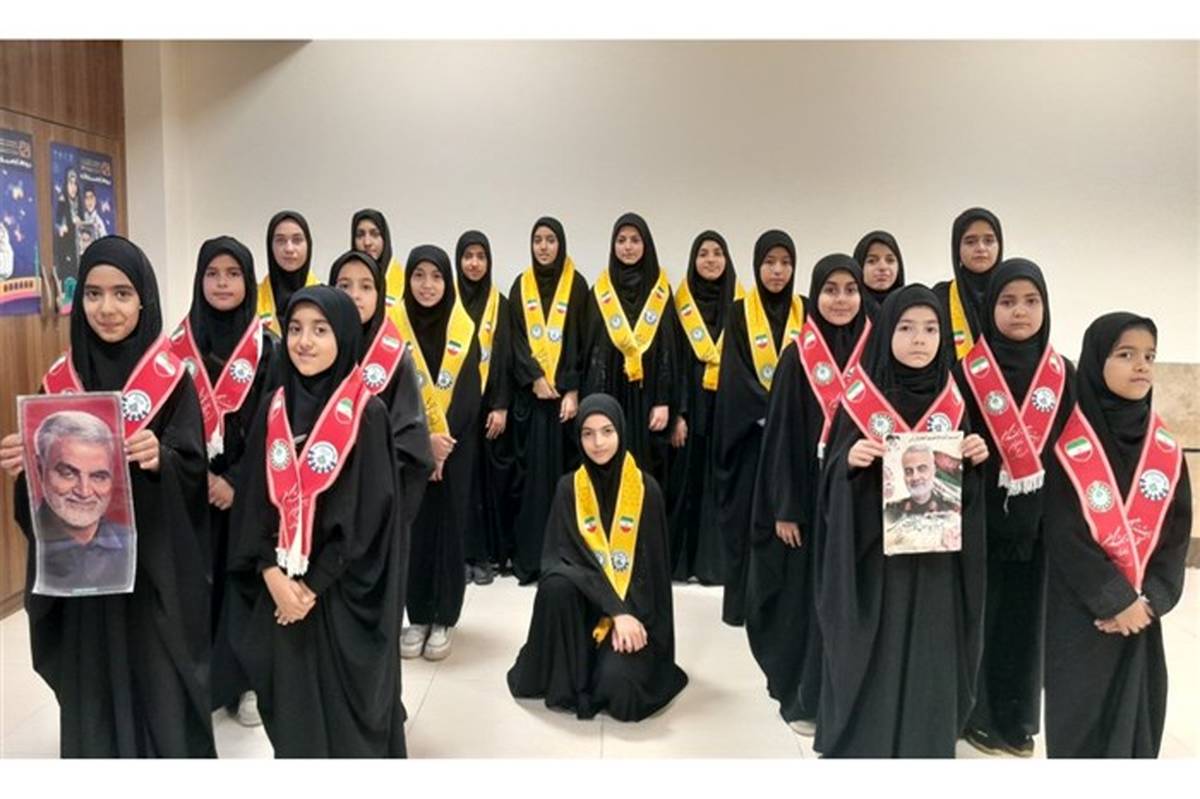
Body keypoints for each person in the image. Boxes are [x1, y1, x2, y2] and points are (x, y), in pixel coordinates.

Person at [1, 235, 215, 757]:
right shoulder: (60, 381)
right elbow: (42, 506)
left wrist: (163, 458)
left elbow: (194, 473)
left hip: (152, 576)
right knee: (92, 690)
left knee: (160, 687)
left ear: (144, 300)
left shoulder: (172, 381)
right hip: (85, 583)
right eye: (93, 294)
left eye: (122, 294)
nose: (107, 308)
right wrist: (27, 468)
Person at [224, 286, 407, 758]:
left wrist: (307, 589)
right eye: (295, 329)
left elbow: (368, 521)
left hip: (340, 595)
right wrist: (271, 573)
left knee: (346, 729)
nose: (304, 342)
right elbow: (252, 505)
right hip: (280, 592)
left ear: (343, 337)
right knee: (295, 721)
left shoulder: (368, 414)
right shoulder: (273, 408)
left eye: (320, 330)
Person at [814, 285, 989, 758]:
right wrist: (848, 464)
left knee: (931, 650)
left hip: (935, 567)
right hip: (877, 563)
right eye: (907, 328)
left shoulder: (953, 402)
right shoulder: (860, 399)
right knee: (879, 649)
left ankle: (923, 741)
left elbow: (965, 497)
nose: (919, 340)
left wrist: (975, 462)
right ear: (887, 332)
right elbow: (829, 488)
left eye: (931, 329)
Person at [1043, 312, 1191, 758]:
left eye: (1149, 356)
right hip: (1081, 616)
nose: (1141, 365)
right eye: (1125, 354)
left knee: (1137, 726)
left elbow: (1175, 537)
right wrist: (1114, 600)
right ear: (1095, 361)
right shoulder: (1067, 446)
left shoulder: (1164, 450)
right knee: (1081, 725)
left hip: (1143, 616)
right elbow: (1065, 534)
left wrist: (1149, 602)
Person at [954, 258, 1075, 757]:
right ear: (990, 308)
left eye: (1030, 301)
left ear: (1045, 307)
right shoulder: (965, 372)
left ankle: (1019, 717)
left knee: (1027, 623)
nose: (1019, 311)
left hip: (1041, 526)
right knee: (980, 618)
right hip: (979, 521)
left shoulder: (1063, 374)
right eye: (1007, 301)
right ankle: (977, 715)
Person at [507, 393, 688, 721]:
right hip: (583, 613)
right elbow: (557, 561)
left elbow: (653, 577)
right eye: (587, 434)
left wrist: (627, 615)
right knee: (555, 586)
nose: (598, 443)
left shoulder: (646, 491)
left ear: (621, 432)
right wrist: (612, 609)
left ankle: (606, 663)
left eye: (607, 431)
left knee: (622, 692)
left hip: (635, 610)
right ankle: (571, 664)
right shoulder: (568, 489)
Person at [749, 253, 870, 734]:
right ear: (814, 294)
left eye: (850, 290)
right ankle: (806, 697)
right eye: (830, 290)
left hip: (859, 502)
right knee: (809, 601)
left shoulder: (877, 353)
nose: (841, 300)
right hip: (808, 502)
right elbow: (779, 438)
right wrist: (785, 508)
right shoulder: (797, 356)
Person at [168, 235, 281, 726]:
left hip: (247, 492)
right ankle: (200, 681)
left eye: (233, 274)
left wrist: (236, 480)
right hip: (189, 490)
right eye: (212, 274)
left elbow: (275, 426)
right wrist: (197, 474)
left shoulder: (269, 349)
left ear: (248, 281)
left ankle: (249, 682)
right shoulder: (174, 349)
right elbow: (164, 421)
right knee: (195, 587)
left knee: (245, 583)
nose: (222, 283)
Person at [712, 229, 804, 626]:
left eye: (785, 263)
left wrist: (787, 416)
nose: (777, 271)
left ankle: (782, 609)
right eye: (769, 263)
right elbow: (734, 373)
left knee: (787, 521)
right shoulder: (738, 313)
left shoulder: (805, 310)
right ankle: (743, 606)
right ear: (756, 265)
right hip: (750, 436)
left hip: (791, 439)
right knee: (747, 522)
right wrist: (770, 411)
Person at [396, 245, 482, 661]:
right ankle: (417, 616)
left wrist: (443, 447)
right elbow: (393, 392)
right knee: (415, 529)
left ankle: (444, 616)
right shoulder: (395, 329)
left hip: (455, 449)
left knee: (449, 529)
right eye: (419, 275)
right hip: (411, 449)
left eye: (436, 276)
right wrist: (423, 444)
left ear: (448, 283)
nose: (427, 285)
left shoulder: (464, 328)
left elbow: (469, 394)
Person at [507, 217, 588, 584]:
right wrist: (535, 377)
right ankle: (531, 560)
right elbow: (514, 341)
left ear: (561, 244)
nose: (543, 247)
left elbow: (582, 340)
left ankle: (564, 558)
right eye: (537, 240)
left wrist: (572, 389)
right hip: (531, 400)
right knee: (531, 484)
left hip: (565, 408)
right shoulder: (520, 286)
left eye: (550, 240)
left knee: (564, 483)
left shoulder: (578, 286)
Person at [328, 248, 434, 530]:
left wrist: (366, 478)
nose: (355, 295)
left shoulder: (396, 360)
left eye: (366, 287)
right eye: (344, 286)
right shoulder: (312, 355)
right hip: (317, 498)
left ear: (380, 295)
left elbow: (412, 444)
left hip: (374, 503)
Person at [666, 231, 740, 585]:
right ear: (693, 260)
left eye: (717, 253)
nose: (710, 260)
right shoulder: (679, 303)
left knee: (723, 485)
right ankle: (682, 563)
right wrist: (678, 413)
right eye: (703, 253)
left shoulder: (741, 305)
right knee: (687, 484)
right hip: (691, 409)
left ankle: (717, 565)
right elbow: (674, 360)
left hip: (727, 408)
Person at [583, 212, 676, 491]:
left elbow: (668, 349)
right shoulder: (600, 291)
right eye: (621, 240)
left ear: (646, 245)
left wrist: (663, 400)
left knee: (645, 468)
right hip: (609, 392)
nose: (628, 247)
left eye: (635, 240)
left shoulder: (660, 291)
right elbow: (591, 348)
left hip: (648, 397)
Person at [455, 230, 515, 585]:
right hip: (454, 410)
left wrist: (502, 405)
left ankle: (485, 555)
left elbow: (505, 358)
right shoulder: (448, 303)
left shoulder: (500, 305)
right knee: (459, 483)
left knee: (485, 483)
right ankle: (459, 555)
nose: (474, 263)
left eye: (481, 256)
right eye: (468, 256)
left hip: (489, 411)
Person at [30, 410, 133, 595]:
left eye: (98, 476)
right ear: (39, 468)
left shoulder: (130, 543)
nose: (84, 492)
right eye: (68, 473)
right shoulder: (30, 533)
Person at [933, 207, 1004, 360]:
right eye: (970, 241)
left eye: (989, 240)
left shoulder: (1012, 293)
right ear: (957, 248)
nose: (981, 248)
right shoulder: (940, 297)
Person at [257, 210, 318, 337]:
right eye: (280, 240)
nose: (289, 249)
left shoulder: (324, 297)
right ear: (270, 246)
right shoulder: (253, 298)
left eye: (297, 240)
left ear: (308, 245)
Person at [882, 444, 959, 519]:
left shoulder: (952, 511)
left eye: (922, 469)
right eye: (908, 471)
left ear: (934, 471)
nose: (915, 477)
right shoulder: (891, 512)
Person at [350, 207, 405, 305]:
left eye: (374, 234)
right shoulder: (344, 276)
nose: (367, 242)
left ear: (384, 238)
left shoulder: (401, 277)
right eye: (360, 235)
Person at [852, 230, 905, 316]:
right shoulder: (847, 310)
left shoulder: (909, 307)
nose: (882, 267)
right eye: (872, 261)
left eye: (890, 260)